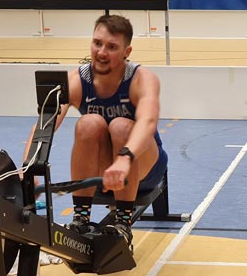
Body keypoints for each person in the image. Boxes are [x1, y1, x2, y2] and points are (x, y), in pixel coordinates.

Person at [25, 14, 167, 253]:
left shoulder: (142, 79)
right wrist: (28, 168)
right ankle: (80, 219)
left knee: (121, 126)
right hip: (104, 173)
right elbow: (45, 124)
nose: (102, 52)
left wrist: (124, 159)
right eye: (97, 43)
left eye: (112, 47)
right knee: (88, 123)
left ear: (127, 52)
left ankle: (123, 223)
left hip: (144, 166)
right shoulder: (76, 80)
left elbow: (148, 122)